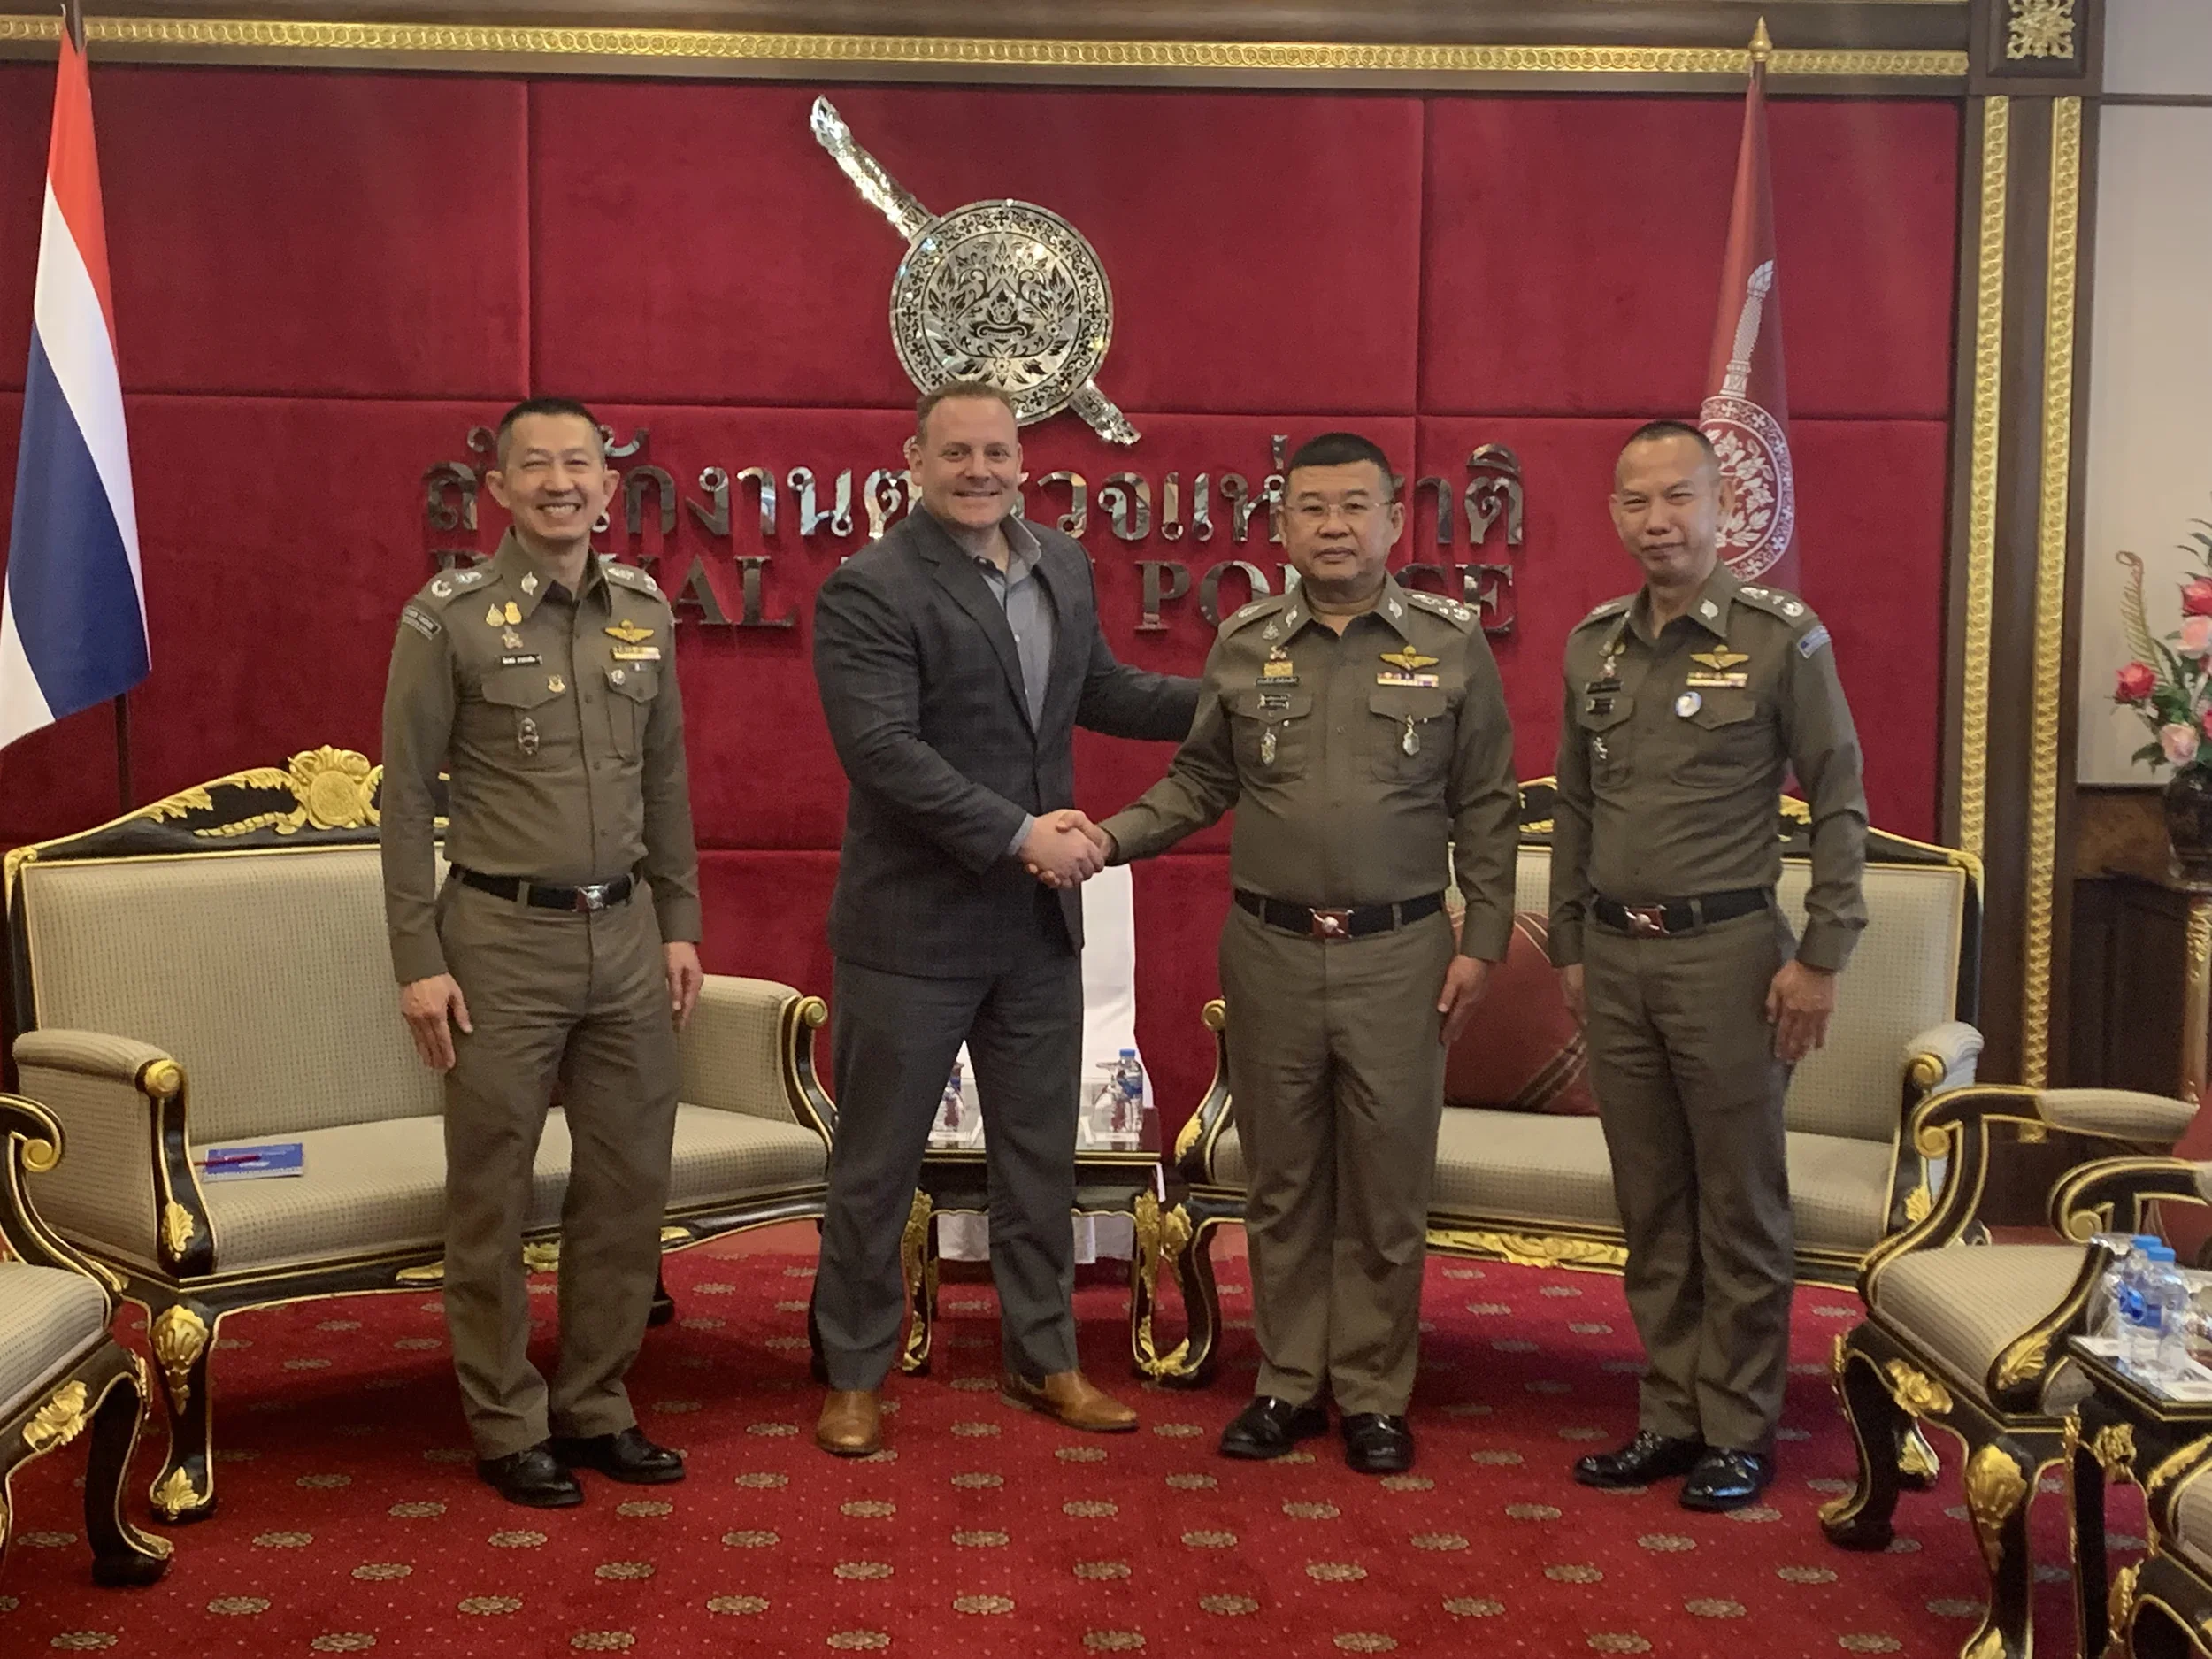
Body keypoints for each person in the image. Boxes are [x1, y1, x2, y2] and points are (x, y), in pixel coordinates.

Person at [1087, 431, 1519, 1475]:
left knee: (1384, 1184)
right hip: (1271, 950)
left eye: (1353, 506)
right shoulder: (1244, 643)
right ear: (1280, 526)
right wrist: (1106, 839)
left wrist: (1485, 939)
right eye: (1311, 508)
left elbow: (1486, 803)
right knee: (1280, 1180)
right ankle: (1285, 1382)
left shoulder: (1451, 644)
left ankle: (1371, 1393)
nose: (1333, 526)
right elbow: (1201, 781)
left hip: (1400, 953)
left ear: (1392, 522)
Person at [808, 380, 1200, 1457]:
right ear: (915, 462)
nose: (979, 470)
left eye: (996, 452)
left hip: (1033, 932)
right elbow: (885, 754)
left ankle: (1045, 1360)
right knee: (877, 1166)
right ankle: (853, 1373)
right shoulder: (870, 588)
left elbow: (1099, 691)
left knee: (1038, 1162)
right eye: (956, 453)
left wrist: (1240, 694)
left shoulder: (1061, 564)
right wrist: (1023, 833)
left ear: (1024, 463)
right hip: (911, 931)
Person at [381, 396, 704, 1509]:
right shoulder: (449, 618)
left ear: (610, 487)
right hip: (499, 941)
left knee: (629, 1183)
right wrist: (416, 957)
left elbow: (665, 780)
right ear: (501, 489)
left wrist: (679, 922)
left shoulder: (644, 612)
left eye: (580, 464)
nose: (561, 482)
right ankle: (507, 1421)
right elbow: (404, 800)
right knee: (493, 1190)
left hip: (625, 936)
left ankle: (597, 1404)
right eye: (537, 466)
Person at [1550, 419, 1866, 1512]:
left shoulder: (1781, 638)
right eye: (1635, 501)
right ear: (1614, 513)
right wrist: (1571, 944)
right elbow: (1575, 808)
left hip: (1729, 959)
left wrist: (1821, 955)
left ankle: (1737, 1428)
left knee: (1737, 1204)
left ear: (1722, 506)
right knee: (1652, 1203)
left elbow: (1838, 796)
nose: (1657, 521)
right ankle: (1670, 1416)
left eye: (1677, 497)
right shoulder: (1592, 645)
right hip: (1618, 960)